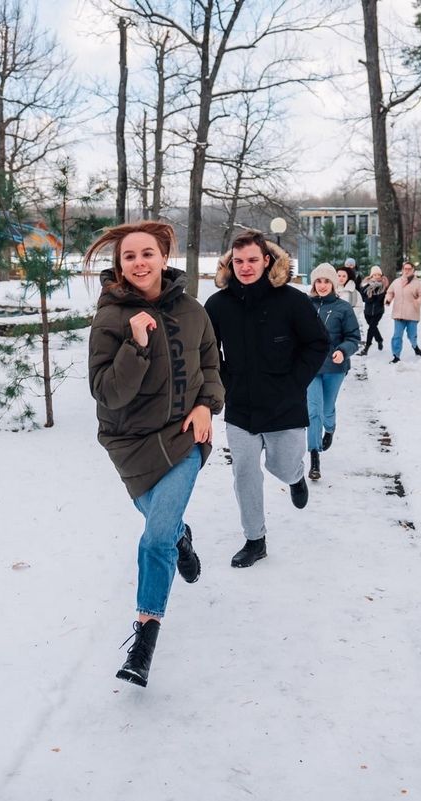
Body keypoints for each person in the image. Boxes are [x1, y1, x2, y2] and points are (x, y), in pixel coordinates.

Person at [86, 221, 225, 688]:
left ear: (164, 258)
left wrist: (207, 404)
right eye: (129, 256)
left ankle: (145, 639)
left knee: (154, 537)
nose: (139, 262)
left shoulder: (193, 311)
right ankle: (182, 535)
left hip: (185, 435)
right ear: (119, 265)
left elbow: (211, 366)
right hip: (129, 441)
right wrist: (136, 344)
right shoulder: (109, 318)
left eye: (148, 253)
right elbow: (107, 393)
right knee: (164, 526)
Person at [204, 229, 330, 569]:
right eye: (239, 261)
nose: (245, 267)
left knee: (281, 464)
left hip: (285, 404)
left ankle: (295, 477)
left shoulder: (292, 300)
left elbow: (317, 343)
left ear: (267, 261)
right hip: (240, 407)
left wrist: (294, 383)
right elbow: (206, 351)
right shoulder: (217, 304)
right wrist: (225, 382)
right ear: (231, 263)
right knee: (245, 472)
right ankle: (255, 539)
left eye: (252, 260)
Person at [305, 264, 361, 481]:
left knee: (327, 409)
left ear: (333, 284)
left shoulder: (343, 308)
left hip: (334, 367)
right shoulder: (305, 306)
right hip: (310, 367)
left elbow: (354, 338)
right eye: (318, 281)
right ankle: (314, 456)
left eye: (326, 281)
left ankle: (330, 428)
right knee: (313, 411)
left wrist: (343, 351)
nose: (322, 285)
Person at [384, 261, 421, 363]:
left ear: (413, 270)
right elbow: (390, 292)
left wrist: (417, 302)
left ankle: (415, 346)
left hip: (412, 314)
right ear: (402, 270)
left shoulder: (417, 283)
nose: (407, 271)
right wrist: (388, 299)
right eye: (405, 269)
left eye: (409, 269)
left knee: (411, 335)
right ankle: (396, 356)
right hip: (398, 314)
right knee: (397, 336)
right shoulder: (396, 282)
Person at [359, 265, 388, 355]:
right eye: (374, 275)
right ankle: (379, 339)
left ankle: (366, 348)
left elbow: (380, 299)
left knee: (371, 328)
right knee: (373, 328)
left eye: (378, 275)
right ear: (371, 276)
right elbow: (362, 296)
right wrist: (368, 299)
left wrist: (372, 297)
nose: (376, 277)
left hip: (378, 312)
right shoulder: (367, 286)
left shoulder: (383, 287)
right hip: (367, 312)